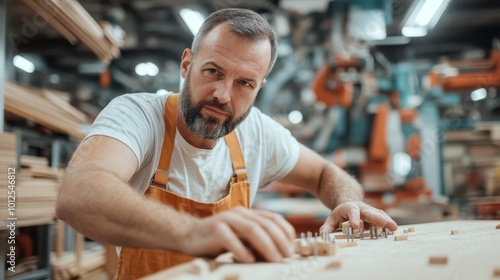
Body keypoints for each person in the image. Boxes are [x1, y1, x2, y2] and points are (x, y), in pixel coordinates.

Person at [56, 7, 397, 279]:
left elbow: (325, 173)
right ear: (187, 64)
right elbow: (79, 192)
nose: (222, 95)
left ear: (259, 88)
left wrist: (347, 203)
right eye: (213, 72)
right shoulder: (139, 116)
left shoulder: (258, 133)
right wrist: (194, 234)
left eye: (244, 83)